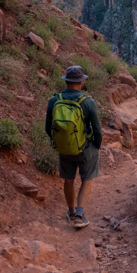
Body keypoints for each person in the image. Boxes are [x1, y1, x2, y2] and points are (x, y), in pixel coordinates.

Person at [45, 65, 102, 228]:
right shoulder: (88, 102)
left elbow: (48, 128)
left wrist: (60, 143)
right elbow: (97, 130)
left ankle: (70, 212)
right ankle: (79, 215)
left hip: (64, 149)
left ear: (66, 81)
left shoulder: (54, 100)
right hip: (85, 149)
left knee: (68, 180)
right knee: (87, 179)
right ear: (81, 82)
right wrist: (95, 146)